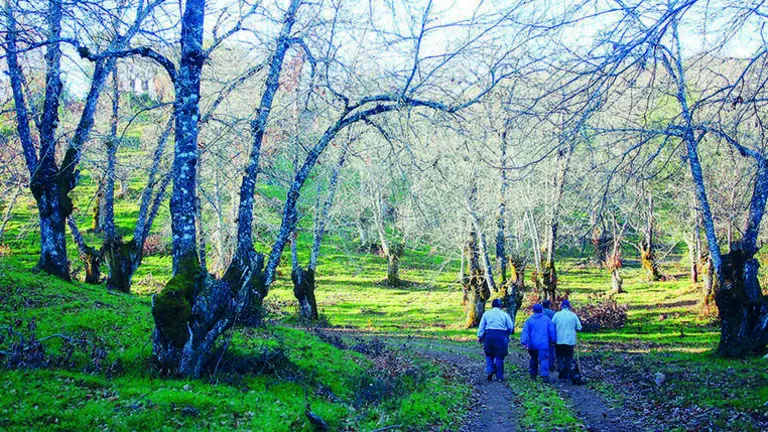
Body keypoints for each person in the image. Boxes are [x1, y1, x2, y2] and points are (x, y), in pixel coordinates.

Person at [477, 298, 515, 382]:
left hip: (489, 335)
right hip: (501, 336)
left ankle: (489, 370)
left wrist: (479, 336)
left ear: (492, 305)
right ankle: (499, 376)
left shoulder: (486, 314)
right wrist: (507, 333)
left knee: (489, 354)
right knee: (499, 356)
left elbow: (482, 326)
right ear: (500, 305)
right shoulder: (504, 314)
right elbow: (510, 326)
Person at [520, 303, 556, 382]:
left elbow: (525, 332)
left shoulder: (529, 320)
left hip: (532, 344)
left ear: (533, 311)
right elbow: (551, 331)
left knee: (533, 359)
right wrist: (553, 340)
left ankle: (533, 375)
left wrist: (524, 342)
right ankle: (544, 376)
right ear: (541, 310)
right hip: (543, 344)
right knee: (544, 359)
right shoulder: (546, 319)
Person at [552, 299, 583, 381]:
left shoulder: (557, 315)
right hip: (570, 340)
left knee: (559, 355)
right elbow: (579, 327)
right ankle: (566, 374)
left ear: (561, 306)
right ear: (569, 307)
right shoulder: (573, 315)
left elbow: (552, 325)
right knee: (568, 357)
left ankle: (561, 367)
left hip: (559, 339)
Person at [542, 299, 557, 372]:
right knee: (551, 350)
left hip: (542, 334)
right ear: (549, 305)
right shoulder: (553, 313)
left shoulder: (540, 313)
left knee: (543, 350)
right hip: (551, 333)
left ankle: (544, 365)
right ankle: (551, 364)